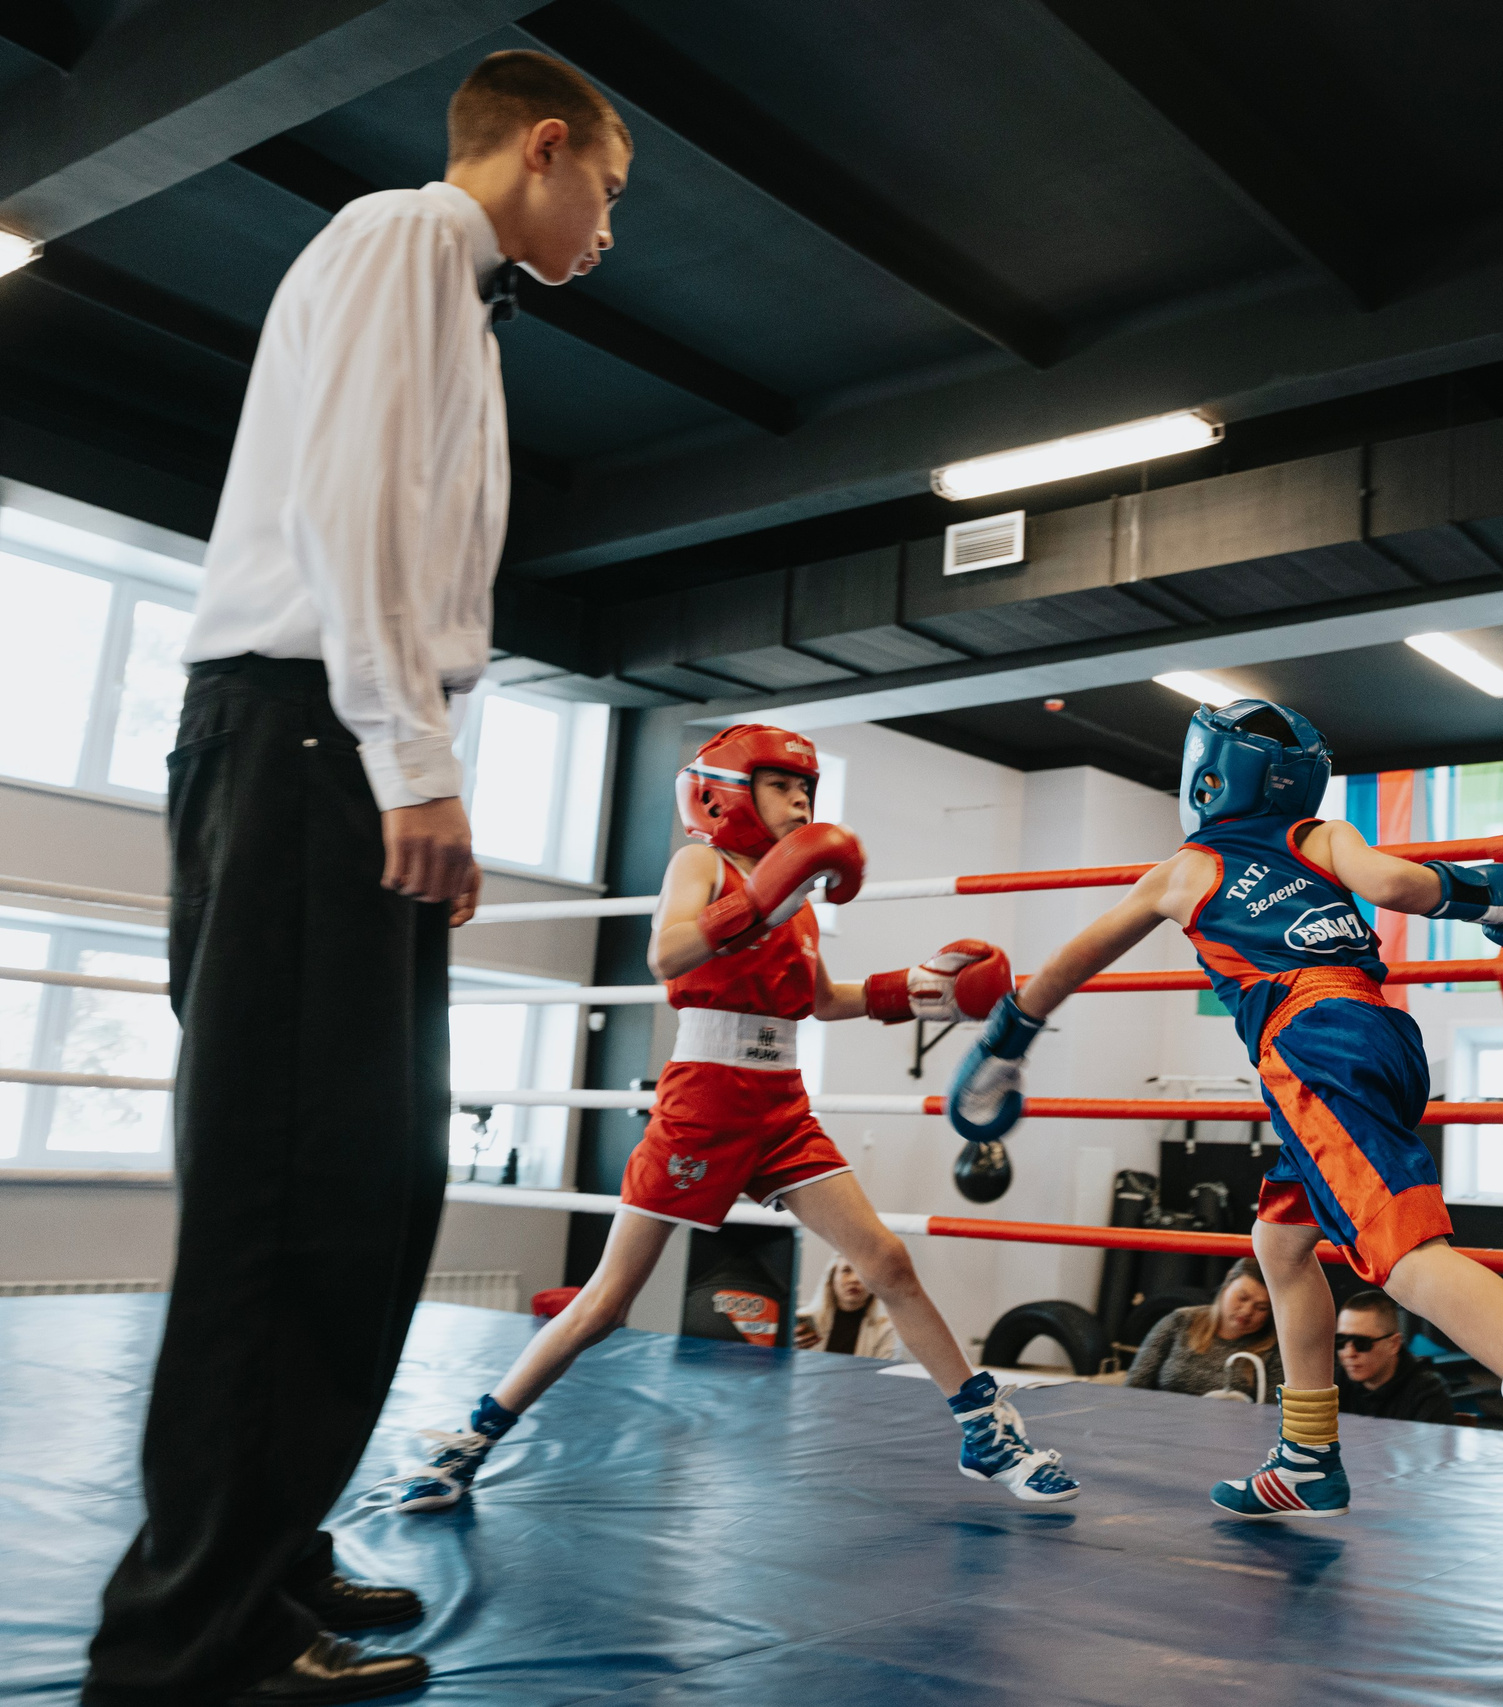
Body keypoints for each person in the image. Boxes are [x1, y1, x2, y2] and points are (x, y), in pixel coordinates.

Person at [83, 53, 631, 1707]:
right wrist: (415, 761)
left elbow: (409, 541)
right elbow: (350, 516)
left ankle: (269, 1540)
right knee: (286, 1198)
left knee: (374, 1191)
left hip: (344, 744)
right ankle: (188, 1638)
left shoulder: (463, 304)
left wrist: (417, 751)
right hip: (313, 736)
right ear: (543, 150)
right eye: (606, 187)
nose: (610, 224)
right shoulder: (403, 234)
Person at [947, 698, 1503, 1604]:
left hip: (1308, 1041)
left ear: (1206, 777)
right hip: (1383, 1031)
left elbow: (1075, 957)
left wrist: (1006, 1040)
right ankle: (1307, 1454)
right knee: (1282, 1242)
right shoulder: (1321, 833)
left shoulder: (1187, 868)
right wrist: (1494, 896)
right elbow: (1404, 888)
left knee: (1403, 1254)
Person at [392, 724, 1080, 1515]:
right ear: (724, 790)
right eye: (784, 785)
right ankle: (470, 1440)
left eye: (808, 789)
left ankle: (983, 1429)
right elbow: (667, 954)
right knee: (606, 1304)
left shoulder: (801, 899)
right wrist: (757, 898)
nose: (802, 800)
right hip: (705, 1099)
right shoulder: (703, 863)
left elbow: (822, 1000)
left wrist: (924, 991)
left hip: (780, 1098)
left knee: (886, 1259)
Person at [1124, 1258, 1277, 1401]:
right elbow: (1134, 1386)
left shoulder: (1273, 1350)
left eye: (1261, 1307)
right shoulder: (1180, 1321)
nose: (1246, 1311)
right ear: (1227, 1283)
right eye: (1242, 1298)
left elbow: (1274, 1413)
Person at [1333, 1290, 1456, 1425]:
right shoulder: (1334, 1384)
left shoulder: (1426, 1390)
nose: (1349, 1353)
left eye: (1362, 1343)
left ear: (1394, 1344)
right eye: (1341, 1341)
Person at [796, 1256, 906, 1360]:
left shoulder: (888, 1329)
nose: (855, 1279)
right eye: (846, 1270)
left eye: (863, 1272)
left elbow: (883, 1377)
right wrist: (790, 1350)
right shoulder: (806, 1321)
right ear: (831, 1278)